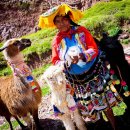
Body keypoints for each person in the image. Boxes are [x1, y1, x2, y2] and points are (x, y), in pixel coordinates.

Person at [38, 4, 123, 130]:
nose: (61, 24)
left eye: (64, 20)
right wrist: (65, 63)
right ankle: (101, 125)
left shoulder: (82, 31)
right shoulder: (56, 41)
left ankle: (114, 126)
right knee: (91, 108)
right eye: (58, 22)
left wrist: (82, 56)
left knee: (105, 104)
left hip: (94, 75)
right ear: (54, 24)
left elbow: (93, 49)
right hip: (77, 82)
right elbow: (55, 61)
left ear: (69, 19)